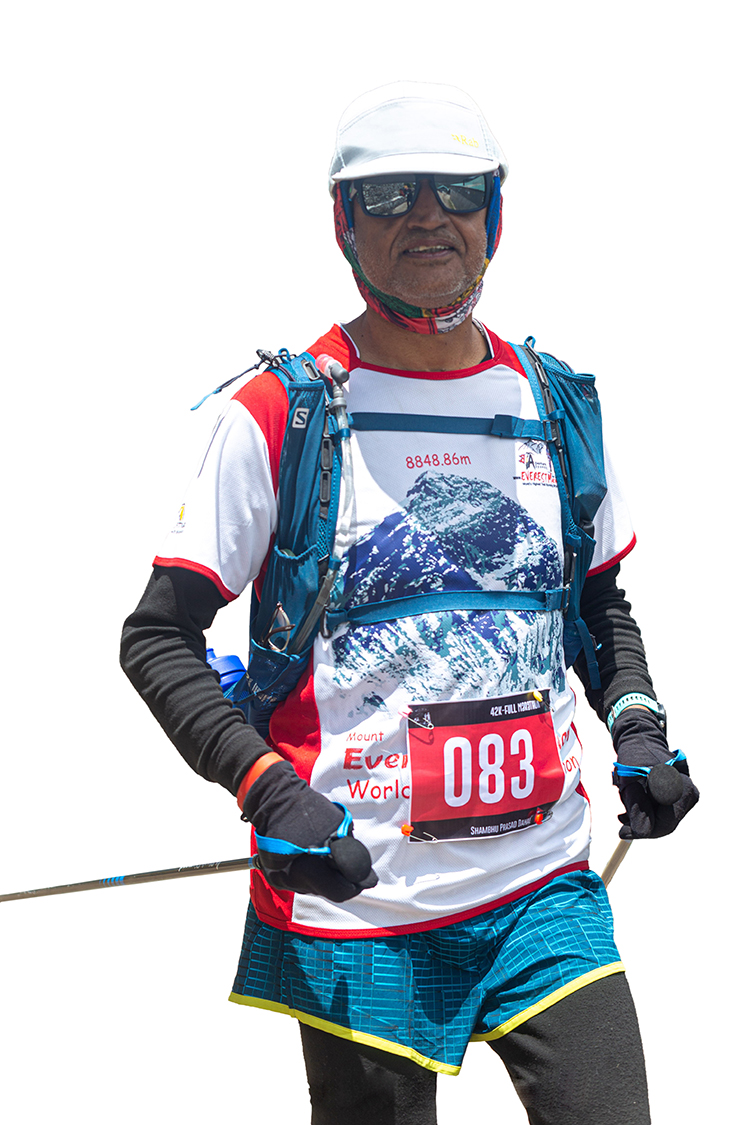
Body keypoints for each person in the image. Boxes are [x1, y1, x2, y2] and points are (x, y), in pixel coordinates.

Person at [121, 82, 698, 1125]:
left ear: (495, 214)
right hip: (358, 905)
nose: (428, 216)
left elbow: (597, 606)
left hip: (542, 889)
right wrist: (268, 791)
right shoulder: (278, 415)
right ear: (344, 221)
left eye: (456, 191)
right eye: (390, 196)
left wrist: (640, 728)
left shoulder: (556, 402)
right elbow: (159, 637)